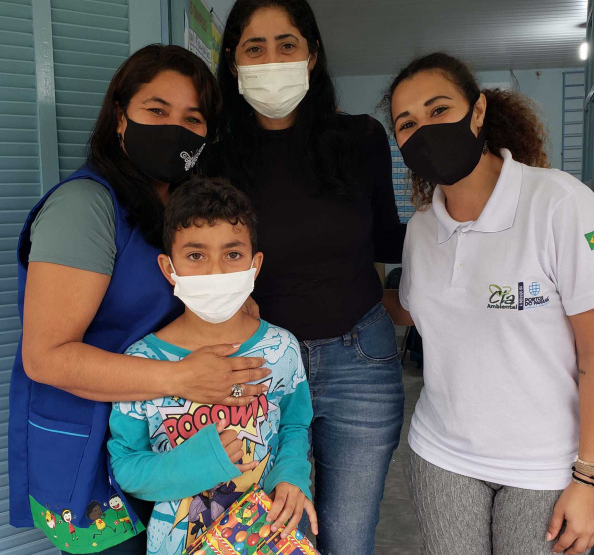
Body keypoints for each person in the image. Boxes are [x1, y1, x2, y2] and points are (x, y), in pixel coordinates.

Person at [7, 45, 272, 555]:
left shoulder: (178, 210)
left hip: (168, 447)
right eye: (156, 109)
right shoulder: (84, 208)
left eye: (192, 118)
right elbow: (45, 357)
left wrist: (233, 312)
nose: (174, 127)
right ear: (119, 119)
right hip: (92, 458)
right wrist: (180, 378)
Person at [382, 52, 594, 555]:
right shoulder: (422, 228)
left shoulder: (560, 204)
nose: (423, 129)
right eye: (407, 123)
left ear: (477, 112)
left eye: (438, 109)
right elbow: (416, 309)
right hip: (442, 455)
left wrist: (591, 479)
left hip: (545, 467)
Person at [210, 2, 406, 552]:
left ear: (313, 55)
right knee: (262, 537)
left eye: (287, 44)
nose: (272, 59)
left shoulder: (361, 139)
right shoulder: (215, 161)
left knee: (346, 538)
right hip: (254, 366)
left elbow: (388, 239)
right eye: (255, 47)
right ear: (233, 62)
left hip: (359, 362)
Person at [108, 178, 317, 555]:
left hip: (269, 537)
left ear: (255, 265)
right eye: (196, 255)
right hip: (180, 544)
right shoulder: (141, 363)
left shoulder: (282, 348)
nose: (216, 271)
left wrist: (292, 476)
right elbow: (125, 465)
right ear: (169, 268)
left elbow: (294, 424)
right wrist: (202, 462)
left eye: (232, 254)